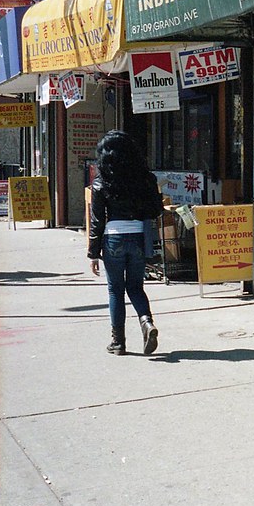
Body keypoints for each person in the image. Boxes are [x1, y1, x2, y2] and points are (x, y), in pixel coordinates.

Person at [88, 130, 165, 355]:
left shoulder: (101, 182)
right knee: (136, 287)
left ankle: (118, 342)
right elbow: (156, 210)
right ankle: (146, 321)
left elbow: (97, 220)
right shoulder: (145, 178)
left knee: (115, 291)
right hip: (139, 237)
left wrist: (93, 253)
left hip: (113, 239)